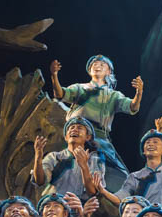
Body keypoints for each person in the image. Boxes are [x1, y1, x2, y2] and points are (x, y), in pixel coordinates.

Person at [48, 56, 140, 186]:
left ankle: (107, 191)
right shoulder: (80, 88)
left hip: (99, 136)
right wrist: (54, 75)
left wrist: (139, 93)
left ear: (109, 71)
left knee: (118, 172)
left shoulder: (113, 95)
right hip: (76, 131)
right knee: (62, 161)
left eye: (102, 64)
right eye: (94, 64)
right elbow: (61, 94)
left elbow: (132, 107)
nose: (98, 66)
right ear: (89, 70)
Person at [33, 117, 121, 211]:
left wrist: (84, 166)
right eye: (71, 128)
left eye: (79, 128)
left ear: (88, 137)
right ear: (66, 137)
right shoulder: (54, 157)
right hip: (53, 206)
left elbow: (92, 191)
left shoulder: (94, 159)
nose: (74, 130)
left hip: (78, 210)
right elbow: (40, 181)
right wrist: (38, 157)